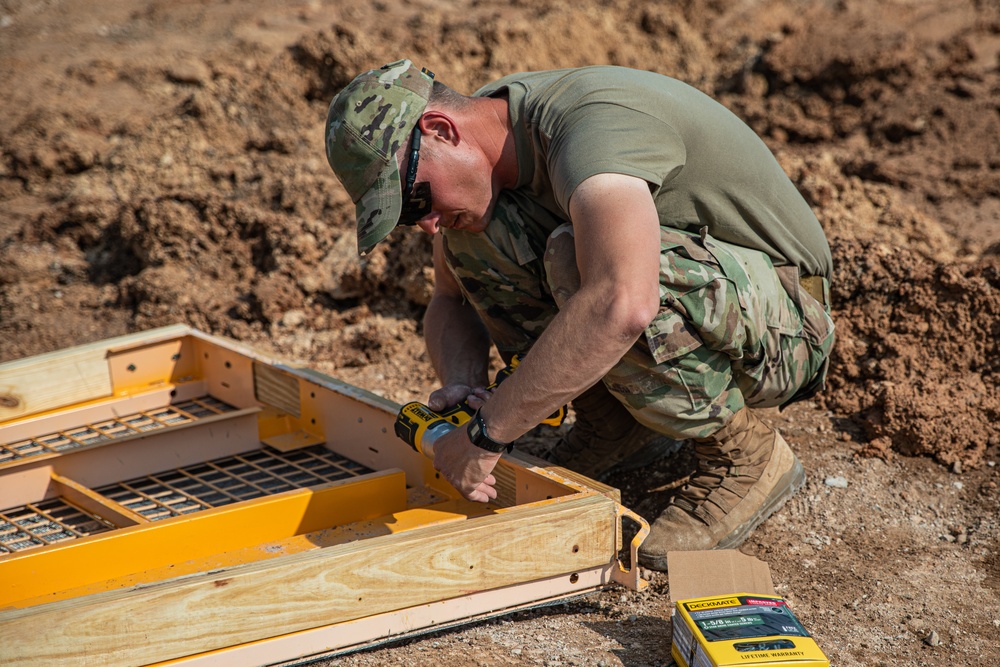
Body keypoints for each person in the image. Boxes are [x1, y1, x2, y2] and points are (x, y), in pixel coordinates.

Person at [323, 59, 835, 571]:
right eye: (409, 218)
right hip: (716, 299)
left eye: (416, 201)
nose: (427, 225)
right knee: (477, 236)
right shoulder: (489, 143)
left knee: (591, 269)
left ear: (441, 129)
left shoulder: (590, 130)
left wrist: (487, 433)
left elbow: (624, 303)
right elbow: (448, 299)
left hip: (787, 326)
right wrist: (462, 384)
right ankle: (617, 426)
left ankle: (744, 456)